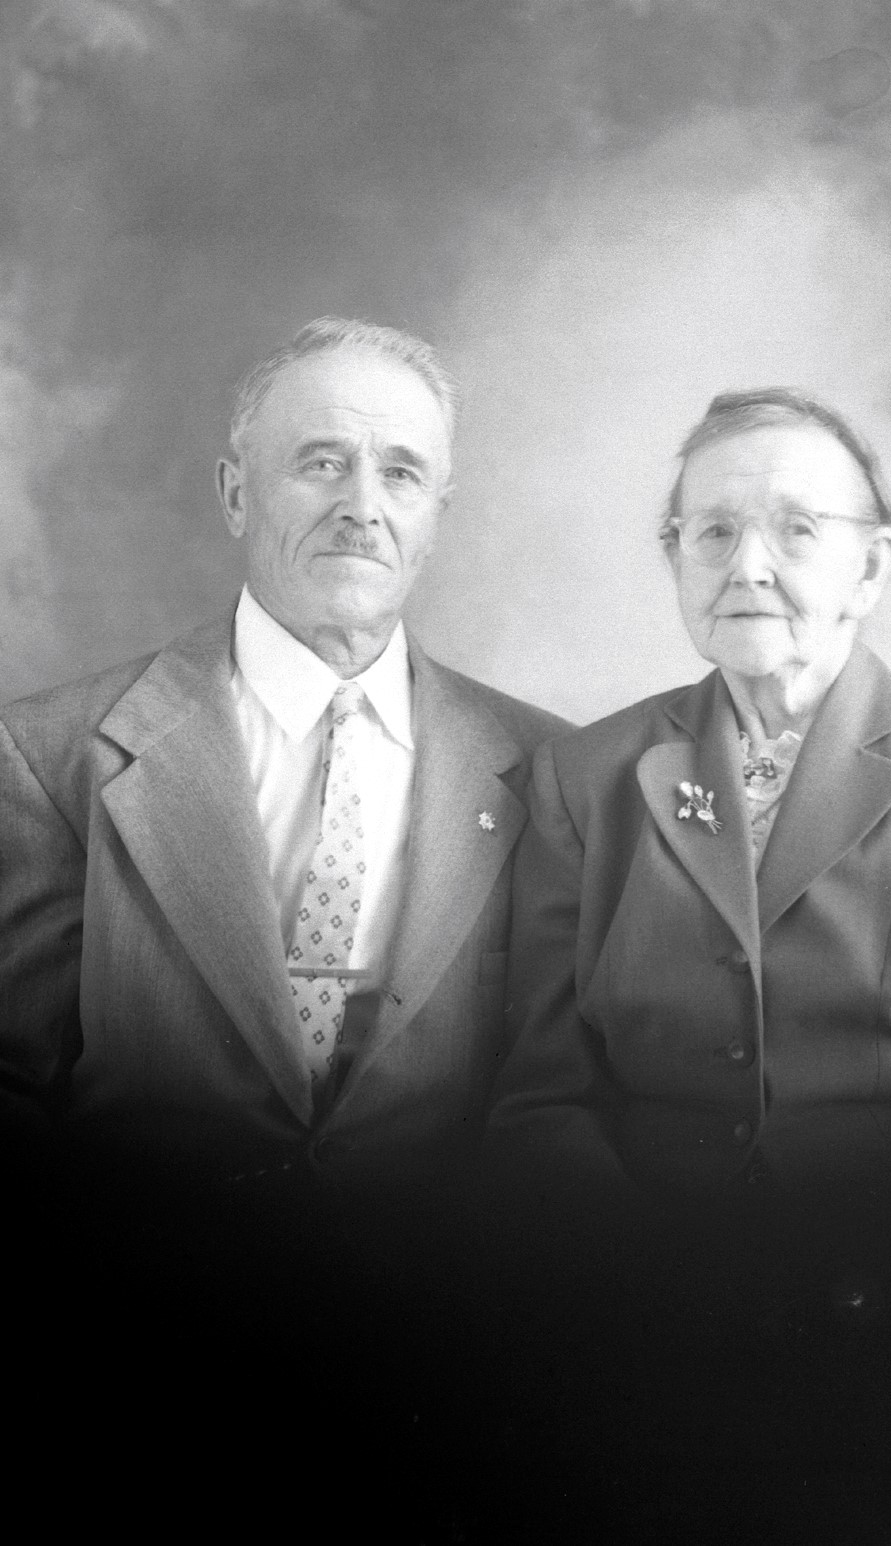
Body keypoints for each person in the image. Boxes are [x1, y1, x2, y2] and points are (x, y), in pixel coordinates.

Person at [483, 389, 891, 1542]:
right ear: (672, 557)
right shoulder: (584, 776)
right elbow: (540, 1095)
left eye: (794, 529)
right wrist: (651, 1283)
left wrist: (851, 1280)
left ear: (871, 565)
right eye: (711, 531)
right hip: (638, 1326)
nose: (746, 565)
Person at [0, 318, 566, 1527]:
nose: (362, 505)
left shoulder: (551, 771)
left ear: (436, 515)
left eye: (400, 473)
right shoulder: (49, 754)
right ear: (233, 492)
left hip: (450, 1394)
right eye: (320, 461)